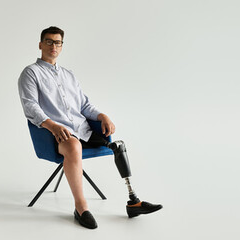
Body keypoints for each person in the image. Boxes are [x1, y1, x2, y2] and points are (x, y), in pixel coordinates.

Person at [18, 26, 162, 229]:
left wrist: (102, 115)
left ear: (61, 46)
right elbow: (30, 106)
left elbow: (84, 105)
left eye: (58, 42)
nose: (53, 46)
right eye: (49, 41)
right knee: (73, 146)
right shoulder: (31, 73)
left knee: (117, 145)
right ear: (40, 44)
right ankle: (81, 207)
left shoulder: (69, 75)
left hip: (81, 129)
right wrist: (51, 125)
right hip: (55, 135)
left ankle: (133, 201)